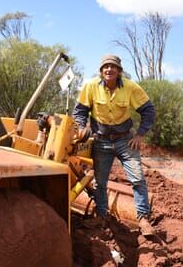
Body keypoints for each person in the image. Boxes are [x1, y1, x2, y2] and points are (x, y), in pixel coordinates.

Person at [72, 55, 156, 235]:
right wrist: (81, 126)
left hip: (125, 140)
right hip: (101, 141)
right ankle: (102, 216)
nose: (109, 70)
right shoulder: (91, 86)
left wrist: (140, 135)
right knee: (100, 183)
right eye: (105, 67)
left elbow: (148, 110)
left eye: (113, 67)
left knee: (138, 179)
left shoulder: (131, 87)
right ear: (101, 71)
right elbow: (80, 111)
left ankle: (143, 220)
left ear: (119, 71)